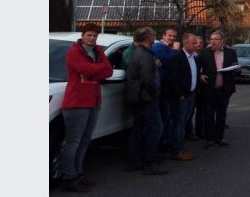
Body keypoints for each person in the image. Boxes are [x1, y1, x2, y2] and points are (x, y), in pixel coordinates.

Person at [59, 23, 113, 192]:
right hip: (76, 102)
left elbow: (109, 71)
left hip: (94, 100)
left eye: (95, 36)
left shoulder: (98, 51)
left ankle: (78, 173)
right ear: (82, 35)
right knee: (73, 142)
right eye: (89, 35)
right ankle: (69, 177)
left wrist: (95, 70)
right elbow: (85, 69)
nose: (92, 38)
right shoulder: (74, 52)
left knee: (85, 140)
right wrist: (97, 69)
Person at [125, 27, 168, 175]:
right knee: (154, 127)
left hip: (139, 97)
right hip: (146, 97)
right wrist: (156, 90)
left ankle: (134, 160)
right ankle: (150, 162)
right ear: (147, 37)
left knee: (139, 129)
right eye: (154, 35)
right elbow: (147, 79)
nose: (155, 37)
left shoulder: (140, 52)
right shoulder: (144, 54)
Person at [162, 33, 200, 161]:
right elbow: (171, 79)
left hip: (190, 95)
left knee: (183, 123)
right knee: (177, 124)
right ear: (185, 43)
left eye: (196, 42)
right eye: (193, 43)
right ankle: (176, 151)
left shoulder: (193, 57)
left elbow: (193, 75)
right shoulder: (177, 57)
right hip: (181, 97)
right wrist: (180, 95)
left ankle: (180, 148)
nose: (196, 45)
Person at [198, 31, 238, 149]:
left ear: (222, 41)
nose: (213, 41)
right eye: (211, 39)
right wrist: (200, 75)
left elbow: (235, 66)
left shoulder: (231, 52)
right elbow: (195, 66)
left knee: (221, 115)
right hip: (209, 89)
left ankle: (219, 139)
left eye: (216, 39)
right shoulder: (205, 52)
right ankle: (209, 140)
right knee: (209, 115)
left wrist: (237, 70)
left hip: (224, 90)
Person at [151, 28, 179, 149]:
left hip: (168, 87)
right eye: (169, 36)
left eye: (174, 36)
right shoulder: (158, 47)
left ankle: (165, 139)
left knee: (167, 116)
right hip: (161, 86)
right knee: (162, 116)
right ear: (163, 36)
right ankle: (160, 142)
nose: (172, 38)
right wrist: (175, 51)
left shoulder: (169, 47)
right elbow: (167, 61)